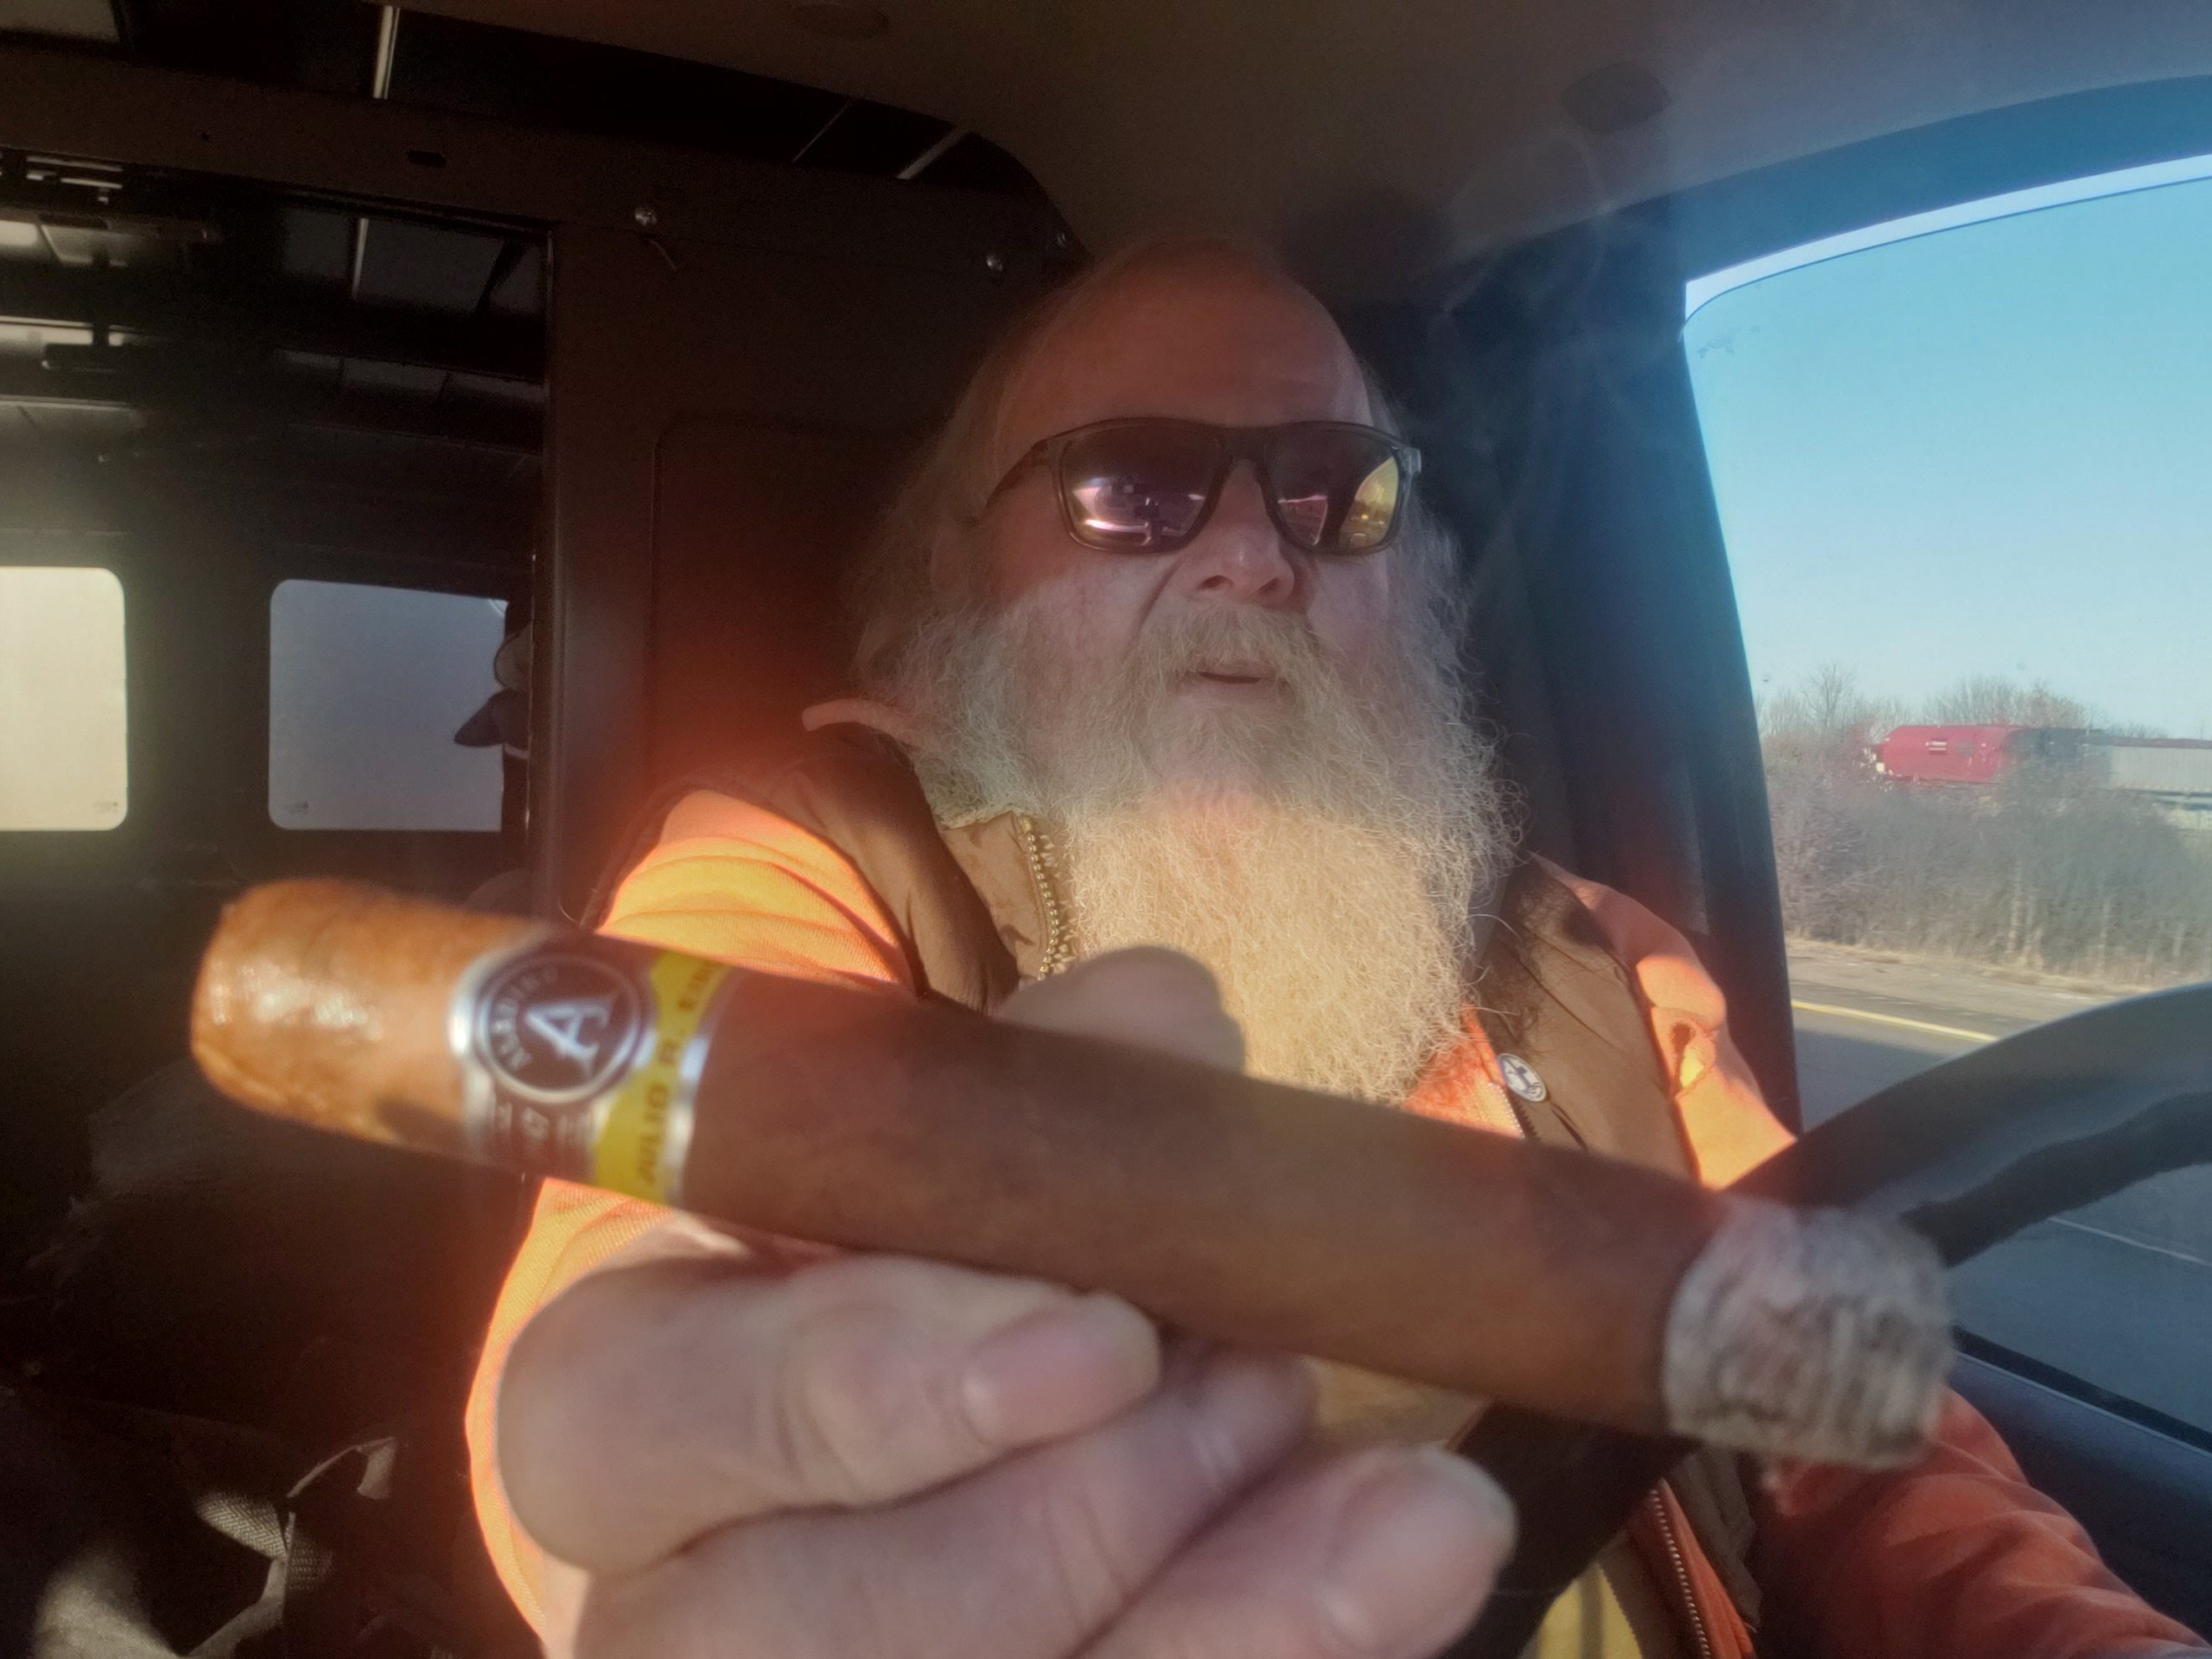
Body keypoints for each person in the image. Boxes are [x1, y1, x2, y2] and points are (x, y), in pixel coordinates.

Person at [464, 240, 2206, 1659]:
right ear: (964, 565)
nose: (1253, 555)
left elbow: (1864, 1442)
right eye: (1133, 485)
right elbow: (657, 1215)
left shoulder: (1596, 960)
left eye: (1329, 489)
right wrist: (660, 1442)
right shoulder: (805, 863)